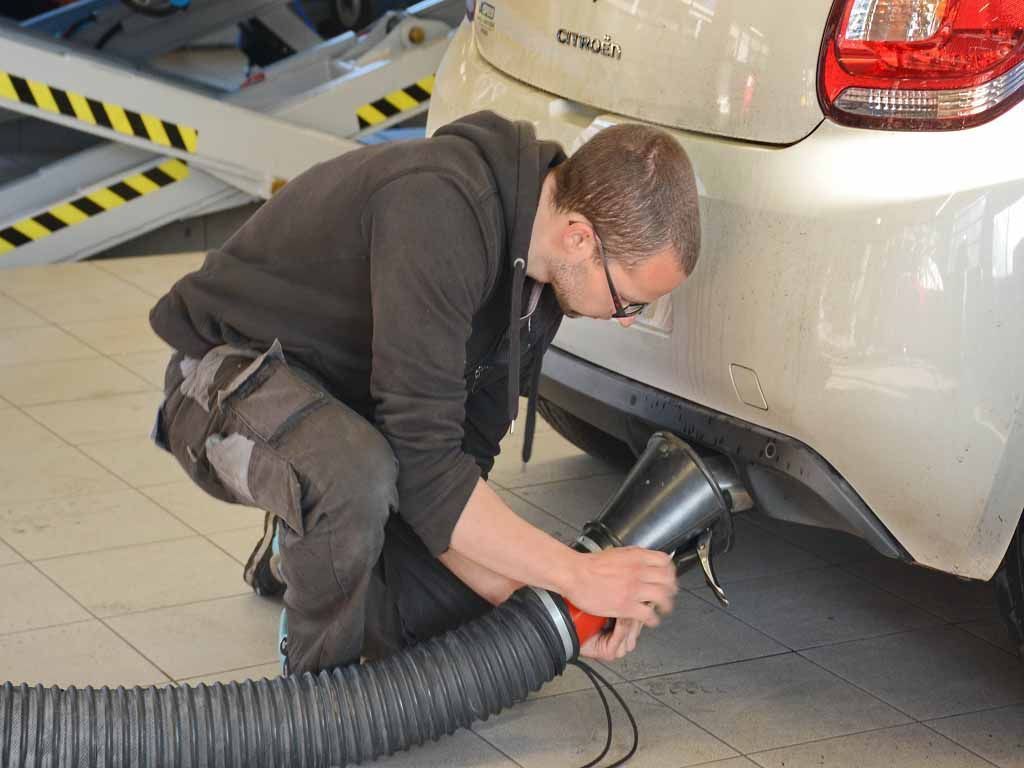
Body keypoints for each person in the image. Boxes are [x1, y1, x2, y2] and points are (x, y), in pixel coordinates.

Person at [148, 110, 702, 676]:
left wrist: (559, 615)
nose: (628, 320)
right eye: (629, 300)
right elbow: (427, 467)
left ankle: (304, 550)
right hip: (224, 382)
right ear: (580, 237)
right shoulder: (439, 208)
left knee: (458, 618)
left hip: (346, 411)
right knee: (351, 479)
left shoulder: (541, 284)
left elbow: (456, 470)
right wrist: (574, 573)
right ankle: (315, 704)